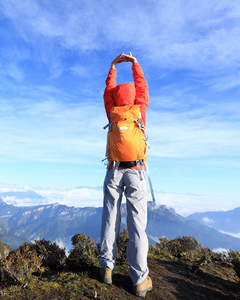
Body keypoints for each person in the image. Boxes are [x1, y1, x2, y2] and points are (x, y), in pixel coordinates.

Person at [99, 52, 153, 297]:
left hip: (113, 170)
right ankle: (140, 280)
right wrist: (135, 65)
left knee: (110, 217)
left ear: (116, 98)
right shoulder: (139, 110)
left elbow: (107, 91)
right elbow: (142, 87)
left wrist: (113, 67)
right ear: (133, 97)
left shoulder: (112, 112)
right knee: (137, 225)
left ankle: (107, 269)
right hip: (135, 171)